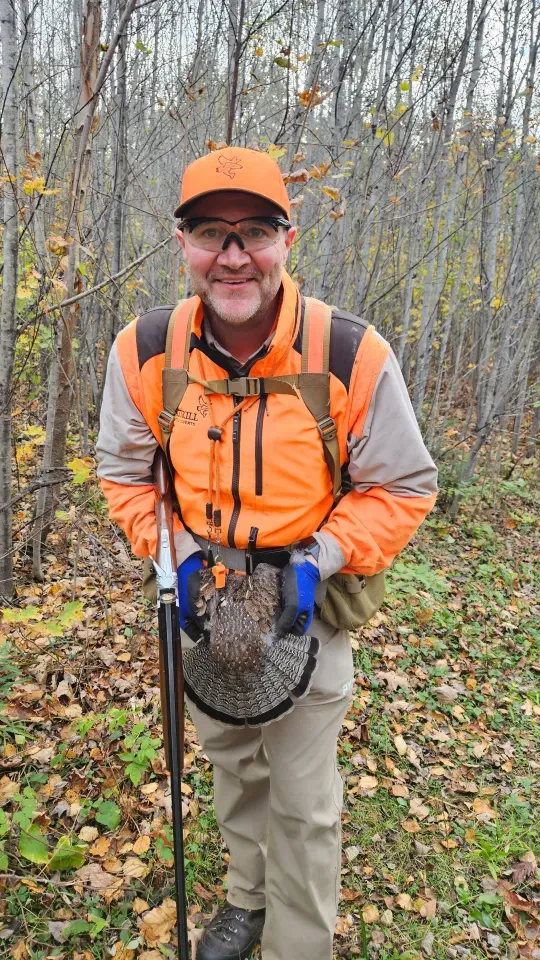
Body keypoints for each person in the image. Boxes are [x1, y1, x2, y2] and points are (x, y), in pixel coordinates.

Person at [96, 147, 437, 960]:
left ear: (288, 236)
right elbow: (124, 473)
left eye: (254, 230)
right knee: (233, 767)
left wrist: (321, 559)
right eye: (210, 232)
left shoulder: (348, 354)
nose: (233, 255)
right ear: (182, 242)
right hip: (201, 599)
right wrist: (175, 554)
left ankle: (296, 944)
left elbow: (403, 486)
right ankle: (247, 898)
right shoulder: (146, 350)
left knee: (304, 801)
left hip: (305, 601)